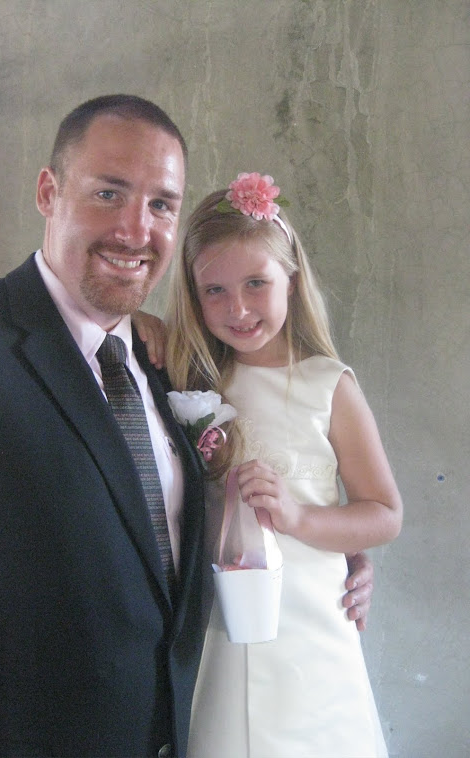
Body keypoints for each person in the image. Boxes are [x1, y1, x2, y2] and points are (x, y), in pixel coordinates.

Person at [0, 96, 373, 758]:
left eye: (160, 205)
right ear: (49, 190)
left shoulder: (172, 369)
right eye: (108, 192)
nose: (135, 228)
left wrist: (336, 552)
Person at [161, 173, 403, 758]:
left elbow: (384, 514)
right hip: (218, 629)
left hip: (312, 625)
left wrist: (299, 518)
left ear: (290, 282)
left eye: (256, 283)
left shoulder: (328, 385)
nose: (237, 308)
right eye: (213, 291)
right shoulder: (188, 381)